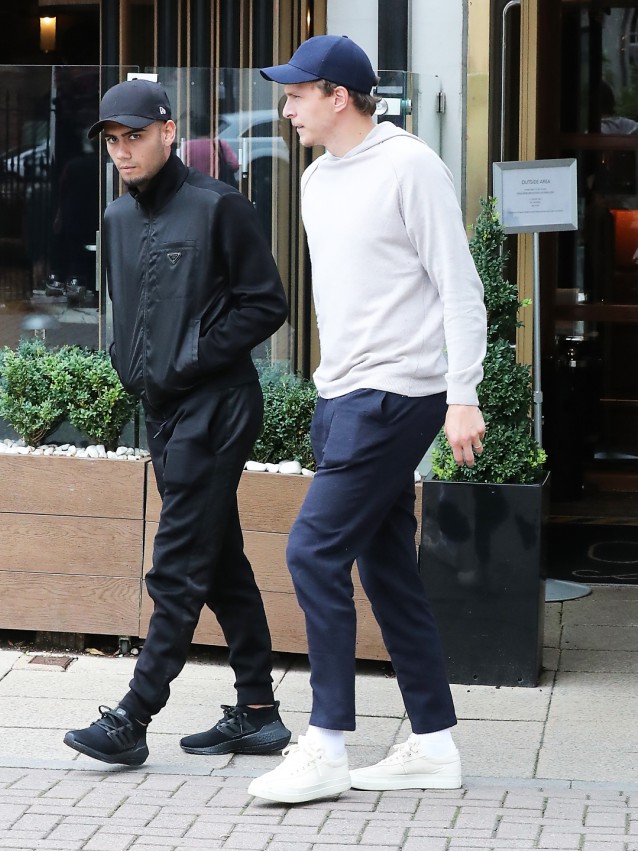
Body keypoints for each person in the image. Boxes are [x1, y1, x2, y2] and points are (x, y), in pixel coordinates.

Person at [249, 35, 487, 804]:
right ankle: (433, 744)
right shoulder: (318, 180)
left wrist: (463, 393)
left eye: (296, 94)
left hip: (397, 395)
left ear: (338, 96)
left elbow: (459, 286)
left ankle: (325, 745)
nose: (285, 108)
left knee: (312, 554)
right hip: (341, 395)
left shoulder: (410, 165)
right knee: (386, 569)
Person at [63, 79, 290, 766]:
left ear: (168, 132)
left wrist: (190, 354)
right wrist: (128, 365)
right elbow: (124, 311)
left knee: (178, 563)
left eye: (134, 136)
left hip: (217, 406)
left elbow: (266, 304)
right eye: (113, 139)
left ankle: (134, 715)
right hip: (161, 408)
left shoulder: (220, 208)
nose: (123, 150)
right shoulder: (116, 219)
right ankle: (259, 712)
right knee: (217, 560)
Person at [179, 110, 239, 185]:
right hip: (216, 188)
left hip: (194, 187)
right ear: (211, 128)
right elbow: (235, 165)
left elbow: (180, 169)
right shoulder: (220, 144)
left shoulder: (187, 146)